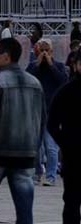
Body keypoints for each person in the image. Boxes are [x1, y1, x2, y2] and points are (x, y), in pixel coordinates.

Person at [0, 37, 45, 224]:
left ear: (6, 56)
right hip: (25, 154)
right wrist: (35, 151)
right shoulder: (35, 83)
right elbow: (41, 120)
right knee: (24, 208)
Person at [25, 37, 67, 186]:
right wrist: (38, 63)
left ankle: (50, 176)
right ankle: (37, 174)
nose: (44, 53)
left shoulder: (59, 66)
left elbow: (62, 81)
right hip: (35, 110)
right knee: (35, 146)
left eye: (46, 50)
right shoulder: (33, 66)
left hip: (52, 111)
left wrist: (50, 64)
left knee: (51, 146)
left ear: (52, 52)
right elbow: (27, 80)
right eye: (41, 50)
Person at [48, 52, 81, 224]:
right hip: (73, 156)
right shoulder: (66, 91)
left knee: (71, 203)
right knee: (72, 203)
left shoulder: (65, 91)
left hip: (72, 153)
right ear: (76, 65)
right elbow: (52, 123)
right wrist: (67, 143)